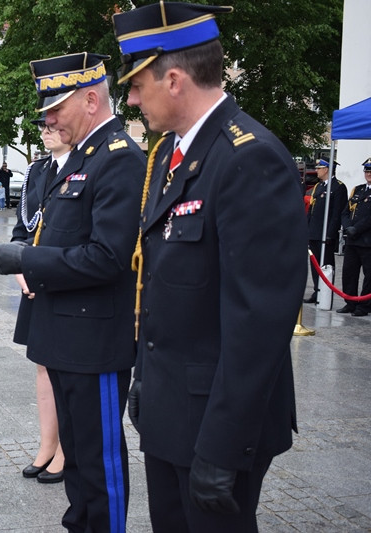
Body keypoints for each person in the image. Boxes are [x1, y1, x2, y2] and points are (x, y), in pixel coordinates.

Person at [114, 3, 308, 531]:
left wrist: (224, 447)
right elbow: (162, 286)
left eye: (137, 86)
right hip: (170, 410)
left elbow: (259, 323)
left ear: (174, 80)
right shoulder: (170, 155)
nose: (131, 100)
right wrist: (145, 379)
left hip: (217, 426)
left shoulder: (249, 157)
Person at [0, 52, 146, 532]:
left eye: (56, 109)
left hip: (94, 343)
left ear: (92, 100)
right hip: (62, 334)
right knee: (75, 456)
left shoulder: (118, 158)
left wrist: (27, 260)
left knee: (99, 461)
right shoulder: (79, 157)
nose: (49, 120)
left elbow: (108, 256)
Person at [11, 114, 74, 485]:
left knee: (64, 368)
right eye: (42, 126)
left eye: (53, 125)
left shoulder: (84, 166)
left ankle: (66, 448)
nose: (46, 131)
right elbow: (22, 229)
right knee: (43, 366)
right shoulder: (37, 170)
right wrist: (22, 271)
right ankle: (47, 444)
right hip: (34, 280)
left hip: (64, 279)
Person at [304, 158, 347, 303]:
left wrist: (330, 233)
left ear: (326, 169)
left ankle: (326, 294)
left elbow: (337, 213)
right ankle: (317, 291)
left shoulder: (338, 187)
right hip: (314, 232)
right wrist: (307, 229)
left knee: (326, 265)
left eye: (319, 168)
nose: (317, 170)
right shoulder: (319, 186)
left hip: (326, 233)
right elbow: (312, 210)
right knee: (315, 264)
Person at [337, 157, 371, 316]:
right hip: (352, 240)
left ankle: (364, 306)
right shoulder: (358, 190)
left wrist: (356, 229)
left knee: (369, 276)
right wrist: (347, 226)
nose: (368, 174)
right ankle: (350, 302)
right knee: (349, 272)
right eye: (367, 171)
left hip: (367, 241)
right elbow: (345, 211)